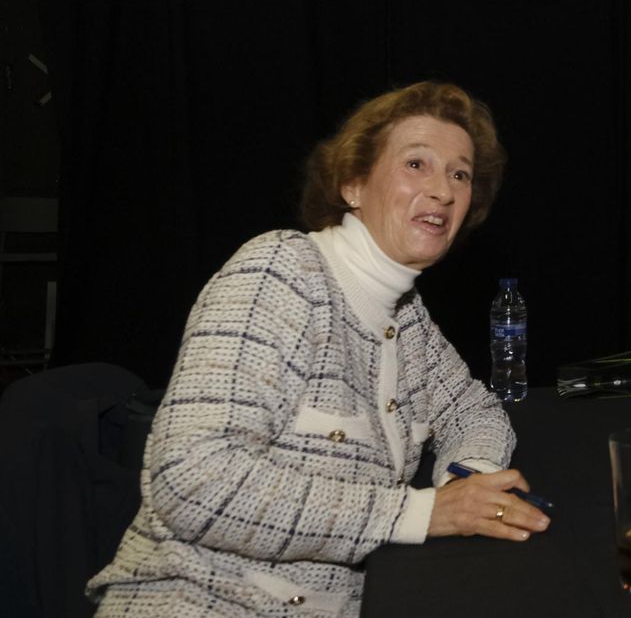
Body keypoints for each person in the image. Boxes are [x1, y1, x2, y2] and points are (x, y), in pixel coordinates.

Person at [88, 81, 547, 617]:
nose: (443, 190)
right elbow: (193, 484)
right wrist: (422, 513)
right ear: (354, 184)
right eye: (416, 164)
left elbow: (473, 410)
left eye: (460, 174)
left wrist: (466, 478)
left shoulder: (407, 315)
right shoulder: (279, 273)